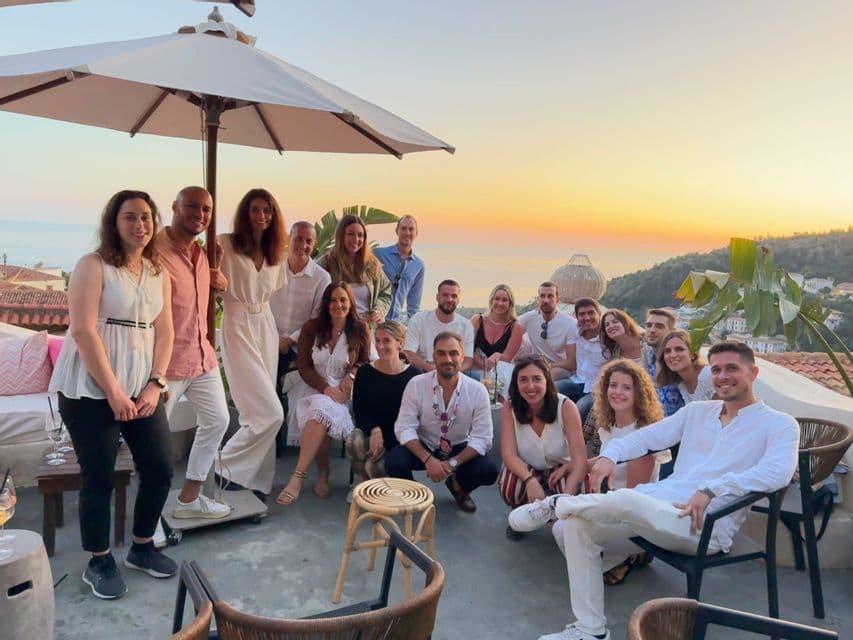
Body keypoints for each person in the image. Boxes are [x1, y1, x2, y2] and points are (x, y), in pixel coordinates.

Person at [509, 341, 799, 640]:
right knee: (576, 527)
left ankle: (557, 504)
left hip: (703, 526)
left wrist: (714, 488)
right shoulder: (698, 412)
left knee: (626, 498)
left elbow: (778, 473)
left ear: (754, 372)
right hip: (655, 509)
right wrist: (610, 456)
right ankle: (591, 631)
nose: (723, 376)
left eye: (732, 369)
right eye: (716, 370)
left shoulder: (779, 424)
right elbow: (648, 437)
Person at [49, 190, 177, 599]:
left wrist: (156, 382)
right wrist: (113, 392)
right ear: (113, 222)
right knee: (98, 475)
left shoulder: (160, 273)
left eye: (146, 217)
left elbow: (166, 331)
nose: (140, 225)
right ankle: (99, 561)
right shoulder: (93, 265)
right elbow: (84, 331)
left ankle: (141, 548)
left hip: (142, 387)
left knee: (159, 468)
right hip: (90, 388)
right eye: (129, 217)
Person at [156, 186, 231, 519]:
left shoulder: (204, 256)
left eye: (207, 210)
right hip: (165, 364)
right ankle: (152, 516)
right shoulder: (153, 252)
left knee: (218, 420)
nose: (200, 215)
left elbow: (204, 299)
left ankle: (189, 498)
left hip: (202, 358)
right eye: (192, 207)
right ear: (174, 206)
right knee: (155, 444)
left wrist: (221, 274)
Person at [559, 358, 664, 586]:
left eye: (627, 387)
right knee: (564, 529)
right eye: (613, 385)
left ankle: (630, 555)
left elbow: (634, 497)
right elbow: (608, 458)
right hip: (612, 499)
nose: (617, 392)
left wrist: (592, 507)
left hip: (631, 513)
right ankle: (617, 555)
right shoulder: (611, 426)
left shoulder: (643, 436)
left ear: (640, 394)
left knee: (568, 530)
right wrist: (577, 466)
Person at [213, 188, 287, 501]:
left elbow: (274, 291)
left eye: (267, 211)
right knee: (271, 412)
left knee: (262, 407)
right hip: (238, 321)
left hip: (265, 326)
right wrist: (214, 280)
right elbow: (205, 277)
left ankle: (256, 481)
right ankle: (223, 467)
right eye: (255, 210)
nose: (261, 216)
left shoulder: (277, 252)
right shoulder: (225, 244)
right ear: (245, 213)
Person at [277, 282, 371, 505]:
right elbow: (304, 365)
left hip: (343, 390)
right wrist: (325, 389)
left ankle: (306, 477)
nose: (338, 305)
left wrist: (352, 375)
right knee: (318, 410)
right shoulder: (311, 328)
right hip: (313, 385)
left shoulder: (360, 329)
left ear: (350, 303)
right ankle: (314, 475)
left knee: (319, 415)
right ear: (326, 304)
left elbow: (365, 360)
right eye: (333, 300)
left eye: (343, 300)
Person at [388, 332, 498, 512]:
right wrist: (429, 460)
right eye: (441, 353)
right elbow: (404, 428)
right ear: (433, 357)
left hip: (458, 447)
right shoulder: (416, 384)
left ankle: (458, 488)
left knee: (488, 471)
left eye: (453, 353)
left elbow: (483, 439)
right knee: (394, 460)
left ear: (462, 356)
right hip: (426, 445)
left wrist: (451, 463)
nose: (448, 359)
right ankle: (416, 495)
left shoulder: (477, 391)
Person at [498, 356, 586, 539]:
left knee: (580, 487)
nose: (531, 386)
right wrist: (529, 480)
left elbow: (580, 461)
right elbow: (508, 453)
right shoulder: (510, 407)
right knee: (510, 486)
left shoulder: (566, 407)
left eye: (537, 379)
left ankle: (561, 517)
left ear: (547, 380)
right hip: (528, 466)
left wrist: (564, 501)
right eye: (523, 380)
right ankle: (521, 514)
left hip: (560, 466)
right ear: (516, 383)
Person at [346, 320, 421, 489]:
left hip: (399, 438)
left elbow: (415, 419)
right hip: (371, 432)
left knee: (374, 467)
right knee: (353, 441)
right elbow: (359, 411)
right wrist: (374, 430)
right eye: (377, 340)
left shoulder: (414, 376)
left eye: (386, 341)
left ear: (400, 343)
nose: (380, 346)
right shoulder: (365, 372)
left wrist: (385, 442)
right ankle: (362, 482)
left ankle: (377, 488)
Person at [269, 221, 331, 382]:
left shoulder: (322, 278)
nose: (303, 245)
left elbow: (316, 318)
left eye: (309, 241)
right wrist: (274, 339)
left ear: (314, 244)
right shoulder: (272, 267)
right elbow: (262, 305)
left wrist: (289, 341)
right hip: (268, 339)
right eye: (298, 239)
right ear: (289, 239)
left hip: (300, 347)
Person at [317, 215, 391, 325]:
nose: (356, 239)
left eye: (360, 235)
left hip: (366, 330)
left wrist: (379, 310)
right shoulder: (327, 262)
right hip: (336, 329)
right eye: (350, 234)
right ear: (341, 236)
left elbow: (386, 292)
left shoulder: (372, 264)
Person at [403, 280, 474, 372]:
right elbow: (409, 353)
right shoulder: (418, 320)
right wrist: (432, 370)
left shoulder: (466, 325)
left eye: (454, 296)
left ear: (458, 299)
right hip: (422, 371)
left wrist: (450, 372)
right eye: (445, 295)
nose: (449, 299)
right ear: (437, 297)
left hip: (453, 372)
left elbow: (468, 361)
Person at [556, 298, 606, 422]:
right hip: (579, 381)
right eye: (582, 314)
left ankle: (575, 439)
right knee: (552, 390)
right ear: (576, 317)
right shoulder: (576, 332)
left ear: (599, 314)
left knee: (580, 407)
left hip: (598, 389)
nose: (587, 318)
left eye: (591, 313)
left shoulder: (608, 336)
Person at [517, 282, 577, 380]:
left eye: (550, 296)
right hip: (535, 367)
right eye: (542, 296)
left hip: (559, 369)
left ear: (557, 300)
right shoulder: (529, 318)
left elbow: (571, 363)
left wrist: (547, 367)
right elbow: (510, 330)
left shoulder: (570, 324)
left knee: (550, 375)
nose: (546, 300)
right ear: (538, 299)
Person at [374, 215, 425, 322]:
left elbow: (413, 306)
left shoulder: (418, 266)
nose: (407, 232)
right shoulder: (379, 254)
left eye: (411, 229)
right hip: (376, 319)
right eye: (403, 228)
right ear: (397, 231)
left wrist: (413, 329)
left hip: (395, 323)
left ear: (416, 233)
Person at [471, 284, 524, 374]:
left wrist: (498, 356)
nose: (500, 303)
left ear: (510, 303)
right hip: (474, 371)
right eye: (497, 299)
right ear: (491, 301)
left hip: (498, 374)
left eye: (504, 300)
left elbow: (507, 358)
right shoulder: (477, 321)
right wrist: (484, 364)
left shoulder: (516, 327)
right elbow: (466, 348)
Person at [640, 308, 684, 417]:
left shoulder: (678, 360)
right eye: (648, 325)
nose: (652, 330)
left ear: (672, 331)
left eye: (659, 326)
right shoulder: (649, 356)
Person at [656, 330, 714, 404]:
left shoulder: (708, 376)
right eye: (667, 351)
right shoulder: (681, 384)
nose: (673, 355)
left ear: (692, 354)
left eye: (679, 349)